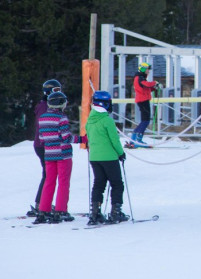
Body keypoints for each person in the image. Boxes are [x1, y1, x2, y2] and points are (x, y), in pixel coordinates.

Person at [34, 92, 86, 224]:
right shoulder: (61, 118)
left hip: (49, 154)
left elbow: (41, 138)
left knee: (49, 182)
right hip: (63, 155)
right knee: (63, 182)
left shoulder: (43, 118)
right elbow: (66, 137)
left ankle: (43, 210)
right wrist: (82, 139)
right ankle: (60, 210)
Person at [85, 91, 128, 225]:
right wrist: (121, 153)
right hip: (109, 157)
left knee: (99, 184)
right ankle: (115, 212)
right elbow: (114, 140)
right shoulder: (107, 120)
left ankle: (95, 212)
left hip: (94, 157)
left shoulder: (89, 120)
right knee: (116, 184)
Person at [27, 79, 62, 217]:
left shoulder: (48, 105)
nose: (58, 94)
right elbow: (42, 125)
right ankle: (41, 204)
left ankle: (42, 203)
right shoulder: (44, 106)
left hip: (45, 144)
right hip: (43, 145)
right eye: (56, 91)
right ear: (48, 91)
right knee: (48, 174)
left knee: (48, 174)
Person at [131, 62, 161, 145]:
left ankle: (133, 139)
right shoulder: (139, 77)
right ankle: (138, 139)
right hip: (143, 101)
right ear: (143, 69)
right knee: (145, 121)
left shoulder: (141, 77)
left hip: (143, 100)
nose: (148, 71)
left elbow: (146, 88)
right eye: (147, 69)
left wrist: (154, 88)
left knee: (144, 121)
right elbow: (146, 84)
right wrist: (154, 83)